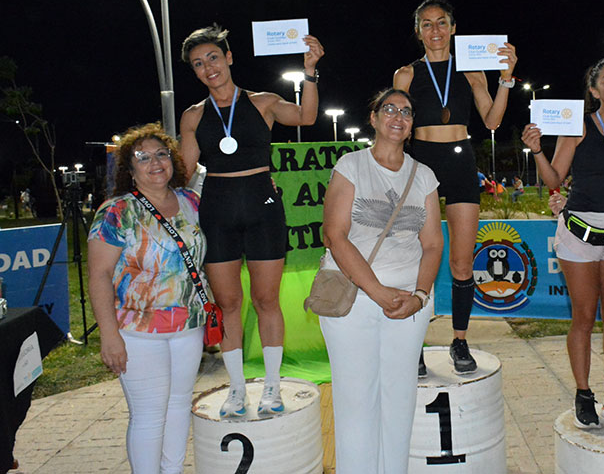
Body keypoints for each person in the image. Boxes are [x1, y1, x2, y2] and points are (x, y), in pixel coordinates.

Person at [179, 24, 324, 417]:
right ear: (193, 72)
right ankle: (237, 391)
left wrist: (309, 71)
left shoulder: (263, 102)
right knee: (227, 303)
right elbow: (182, 171)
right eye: (197, 64)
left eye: (213, 58)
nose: (208, 67)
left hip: (263, 207)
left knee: (265, 300)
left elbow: (307, 116)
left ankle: (273, 388)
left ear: (229, 58)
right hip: (217, 210)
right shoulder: (192, 116)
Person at [320, 89, 443, 473]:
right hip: (354, 298)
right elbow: (334, 236)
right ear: (373, 118)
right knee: (356, 400)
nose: (398, 116)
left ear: (411, 126)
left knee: (399, 398)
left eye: (406, 111)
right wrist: (378, 292)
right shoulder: (351, 165)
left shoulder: (423, 176)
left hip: (408, 304)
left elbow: (433, 244)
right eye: (388, 108)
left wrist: (419, 297)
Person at [393, 0, 517, 374]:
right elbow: (395, 127)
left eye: (442, 22)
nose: (435, 30)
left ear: (453, 28)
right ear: (418, 32)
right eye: (427, 24)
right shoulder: (406, 75)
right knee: (418, 261)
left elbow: (492, 120)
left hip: (462, 160)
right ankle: (413, 344)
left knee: (462, 262)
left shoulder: (472, 72)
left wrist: (506, 78)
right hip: (421, 162)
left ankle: (460, 341)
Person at [521, 57, 604, 430]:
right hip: (580, 236)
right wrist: (537, 149)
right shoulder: (577, 127)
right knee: (584, 318)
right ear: (593, 92)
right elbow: (555, 177)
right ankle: (583, 392)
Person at [87, 123, 207, 474]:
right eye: (143, 157)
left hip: (188, 326)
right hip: (137, 331)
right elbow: (99, 276)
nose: (155, 163)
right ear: (130, 168)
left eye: (161, 154)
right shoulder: (116, 212)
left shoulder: (191, 202)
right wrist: (109, 335)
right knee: (149, 414)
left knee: (178, 405)